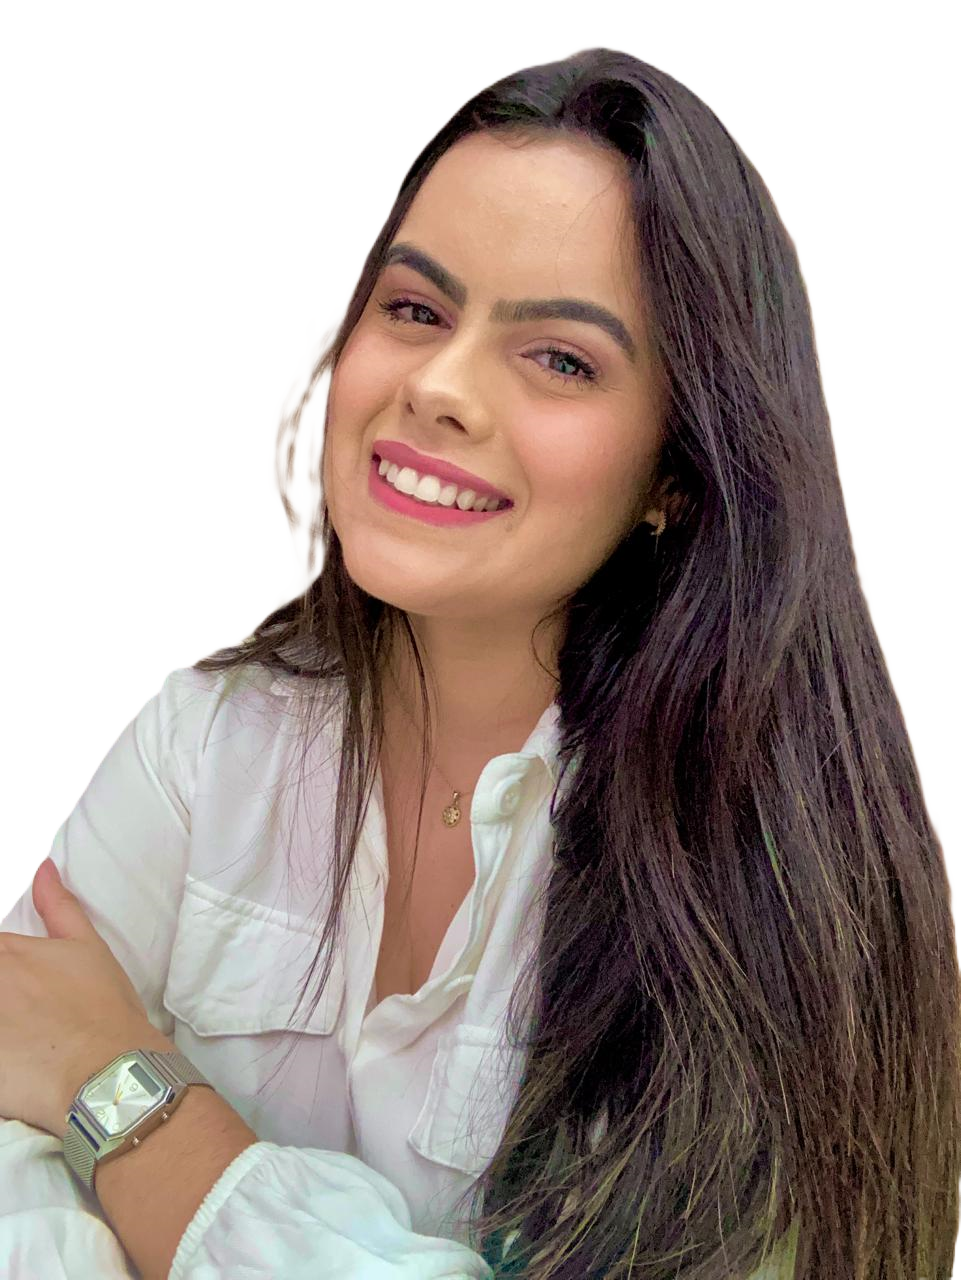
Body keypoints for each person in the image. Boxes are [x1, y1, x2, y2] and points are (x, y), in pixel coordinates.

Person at [1, 44, 957, 1279]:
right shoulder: (204, 744)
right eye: (415, 309)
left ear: (676, 473)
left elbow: (54, 1066)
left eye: (560, 358)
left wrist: (124, 1095)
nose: (438, 386)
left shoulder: (760, 897)